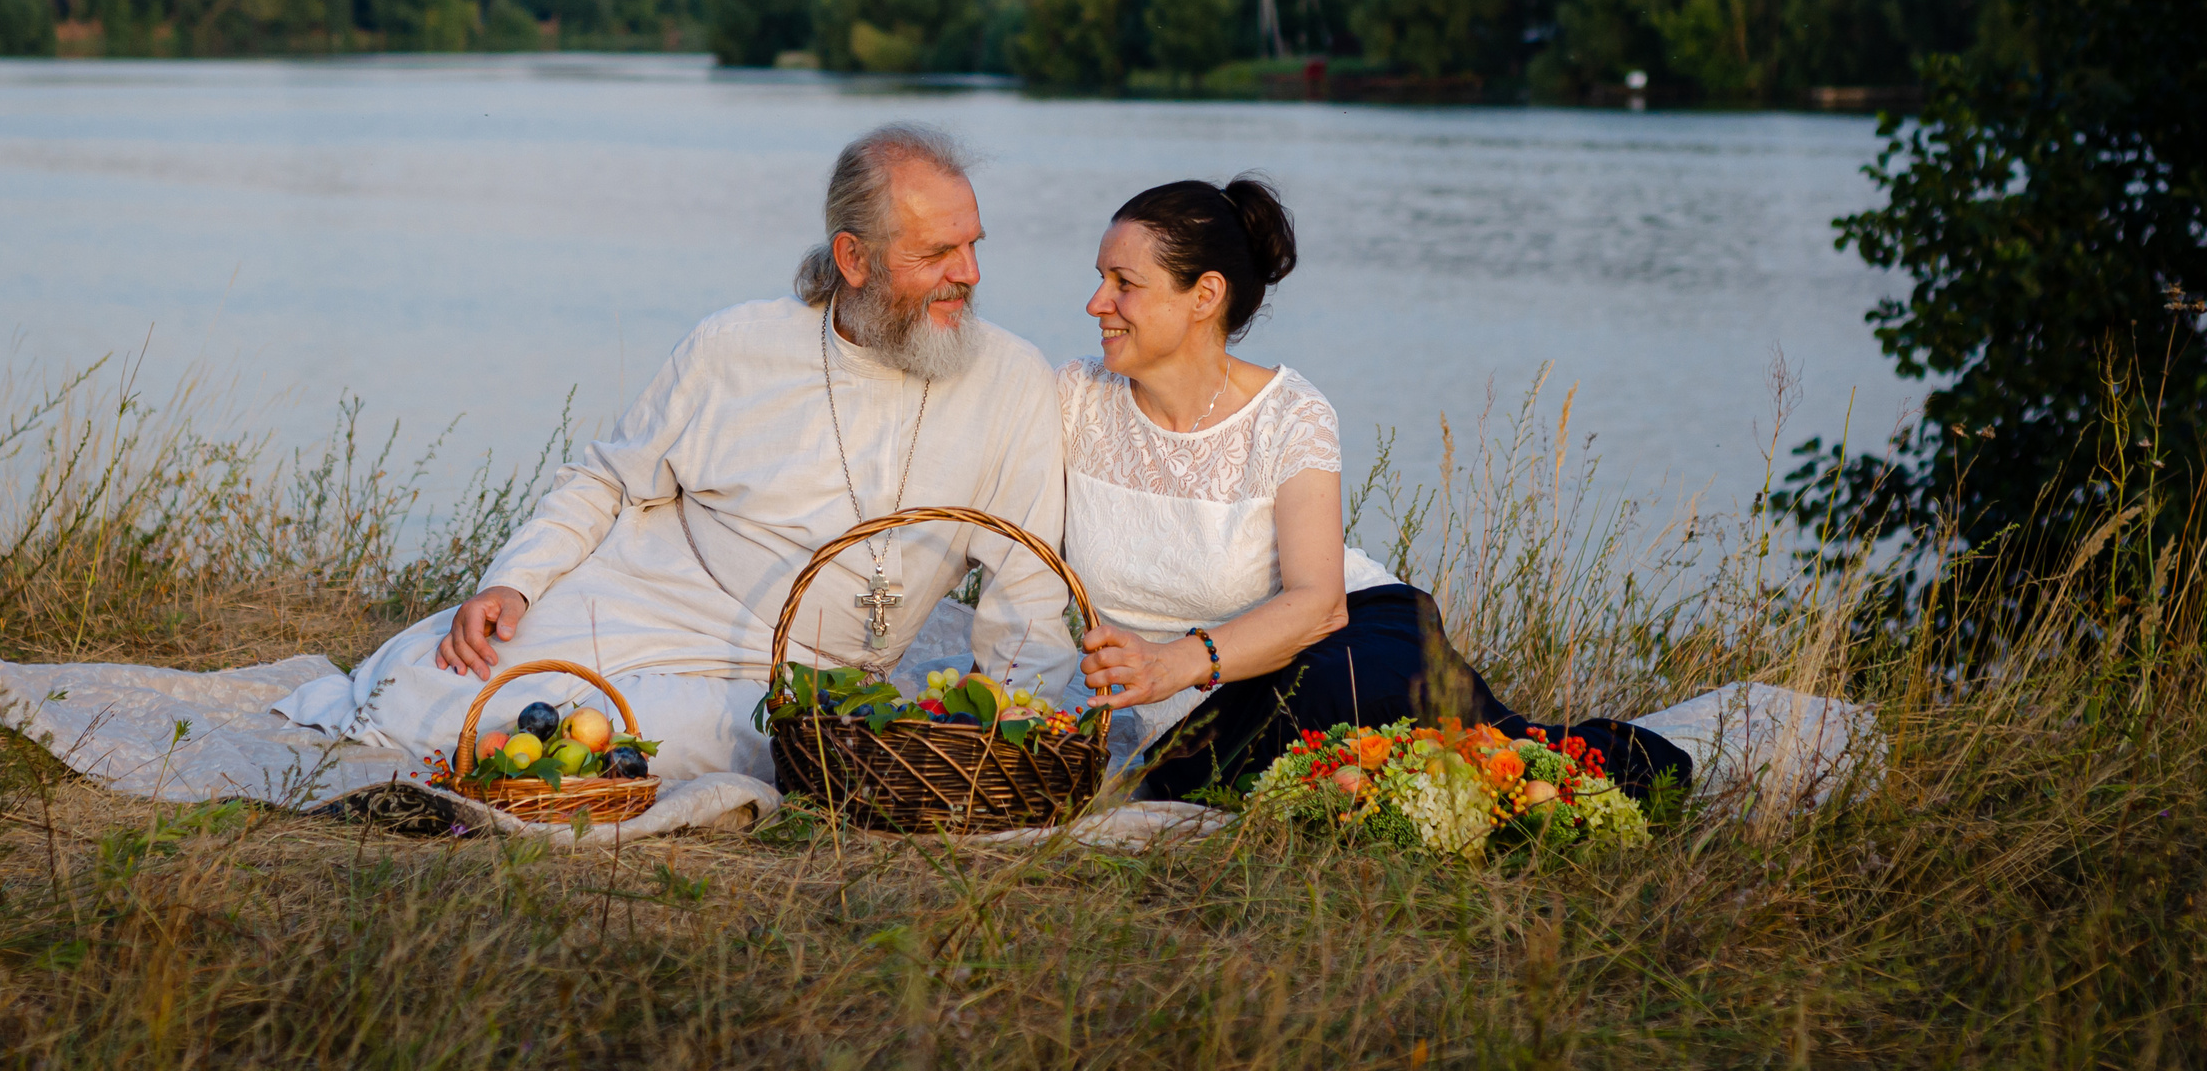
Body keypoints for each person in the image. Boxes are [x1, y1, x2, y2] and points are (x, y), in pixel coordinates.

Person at [275, 123, 1081, 780]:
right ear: (853, 259)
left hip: (798, 677)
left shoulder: (1011, 378)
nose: (967, 275)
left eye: (973, 246)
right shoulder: (736, 345)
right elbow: (604, 480)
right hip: (644, 598)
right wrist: (512, 584)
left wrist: (1013, 731)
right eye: (936, 255)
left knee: (724, 735)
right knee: (441, 684)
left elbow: (1029, 583)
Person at [1063, 175, 1693, 801]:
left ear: (1204, 295)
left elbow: (1320, 605)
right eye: (1101, 278)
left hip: (1344, 640)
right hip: (1208, 697)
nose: (1097, 302)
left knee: (1319, 709)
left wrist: (1173, 664)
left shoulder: (1290, 415)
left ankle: (1596, 760)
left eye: (1125, 284)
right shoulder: (1074, 400)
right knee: (1229, 760)